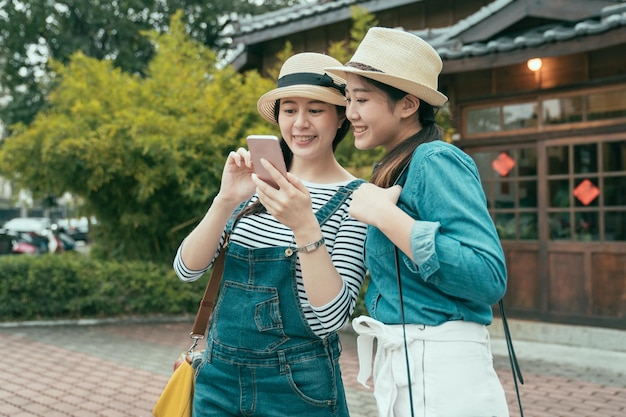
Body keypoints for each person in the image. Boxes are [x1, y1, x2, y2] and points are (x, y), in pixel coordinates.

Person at [326, 27, 510, 417]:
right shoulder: (398, 166)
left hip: (442, 367)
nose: (350, 113)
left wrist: (388, 217)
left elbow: (488, 276)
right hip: (412, 361)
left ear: (408, 105)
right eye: (347, 99)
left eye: (361, 99)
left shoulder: (434, 160)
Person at [173, 52, 367, 417]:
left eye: (316, 109)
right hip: (217, 380)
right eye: (289, 110)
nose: (300, 123)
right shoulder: (255, 187)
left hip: (298, 389)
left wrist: (304, 224)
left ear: (341, 116)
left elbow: (330, 319)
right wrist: (226, 198)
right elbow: (187, 270)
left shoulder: (357, 199)